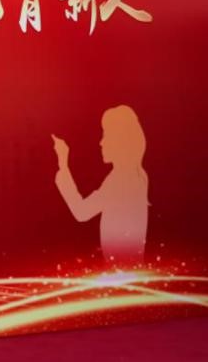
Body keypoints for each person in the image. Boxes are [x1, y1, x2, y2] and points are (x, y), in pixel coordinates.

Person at [52, 105, 148, 265]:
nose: (101, 142)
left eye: (106, 135)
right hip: (124, 270)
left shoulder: (120, 180)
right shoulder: (134, 175)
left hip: (121, 271)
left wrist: (63, 164)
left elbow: (82, 212)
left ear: (120, 141)